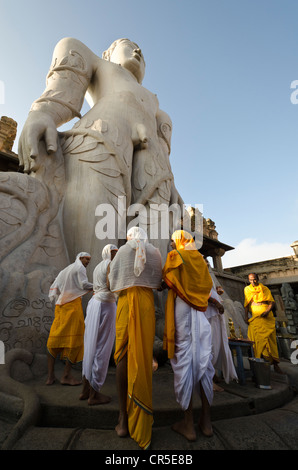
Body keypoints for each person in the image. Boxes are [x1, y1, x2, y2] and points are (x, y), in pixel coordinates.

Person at [18, 37, 183, 273]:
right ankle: (90, 298)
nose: (137, 51)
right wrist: (42, 113)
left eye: (143, 54)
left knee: (153, 247)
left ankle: (148, 306)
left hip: (154, 169)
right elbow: (63, 87)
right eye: (128, 44)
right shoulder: (97, 61)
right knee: (97, 237)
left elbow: (164, 150)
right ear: (107, 54)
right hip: (103, 139)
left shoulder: (157, 106)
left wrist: (171, 183)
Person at [108, 226, 162, 450]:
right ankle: (143, 416)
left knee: (122, 354)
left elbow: (113, 282)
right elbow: (159, 282)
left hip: (126, 303)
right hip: (146, 305)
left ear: (129, 237)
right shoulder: (155, 252)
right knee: (142, 352)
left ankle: (123, 418)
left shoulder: (122, 251)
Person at [162, 230, 214, 441]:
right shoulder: (201, 260)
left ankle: (188, 424)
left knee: (184, 359)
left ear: (177, 242)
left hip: (182, 307)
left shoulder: (176, 256)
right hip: (201, 311)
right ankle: (207, 422)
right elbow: (208, 285)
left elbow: (167, 279)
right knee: (204, 360)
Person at [80, 244, 118, 405]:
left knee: (90, 346)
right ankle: (94, 395)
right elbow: (111, 285)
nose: (117, 255)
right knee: (102, 348)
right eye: (114, 252)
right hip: (105, 306)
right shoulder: (110, 264)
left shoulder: (97, 266)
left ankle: (85, 390)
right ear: (109, 254)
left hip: (95, 303)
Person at [46, 252, 93, 385]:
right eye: (86, 259)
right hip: (72, 308)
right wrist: (99, 286)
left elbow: (54, 287)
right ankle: (66, 375)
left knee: (53, 340)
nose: (88, 261)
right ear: (79, 258)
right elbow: (84, 285)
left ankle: (50, 377)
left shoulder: (65, 270)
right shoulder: (80, 268)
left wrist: (60, 297)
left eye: (89, 259)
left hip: (60, 307)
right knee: (74, 341)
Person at [244, 273, 283, 373]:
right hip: (255, 316)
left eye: (254, 279)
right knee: (256, 340)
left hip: (266, 315)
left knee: (271, 340)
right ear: (249, 280)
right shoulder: (247, 289)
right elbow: (247, 304)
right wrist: (245, 316)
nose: (253, 282)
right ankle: (259, 365)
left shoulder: (264, 288)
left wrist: (267, 311)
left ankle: (275, 365)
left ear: (258, 279)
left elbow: (272, 302)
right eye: (251, 280)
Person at [205, 284, 238, 391]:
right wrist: (215, 302)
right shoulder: (196, 269)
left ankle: (212, 372)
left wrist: (216, 293)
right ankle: (208, 378)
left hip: (215, 312)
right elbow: (198, 291)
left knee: (217, 343)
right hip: (208, 312)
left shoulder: (206, 273)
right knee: (209, 344)